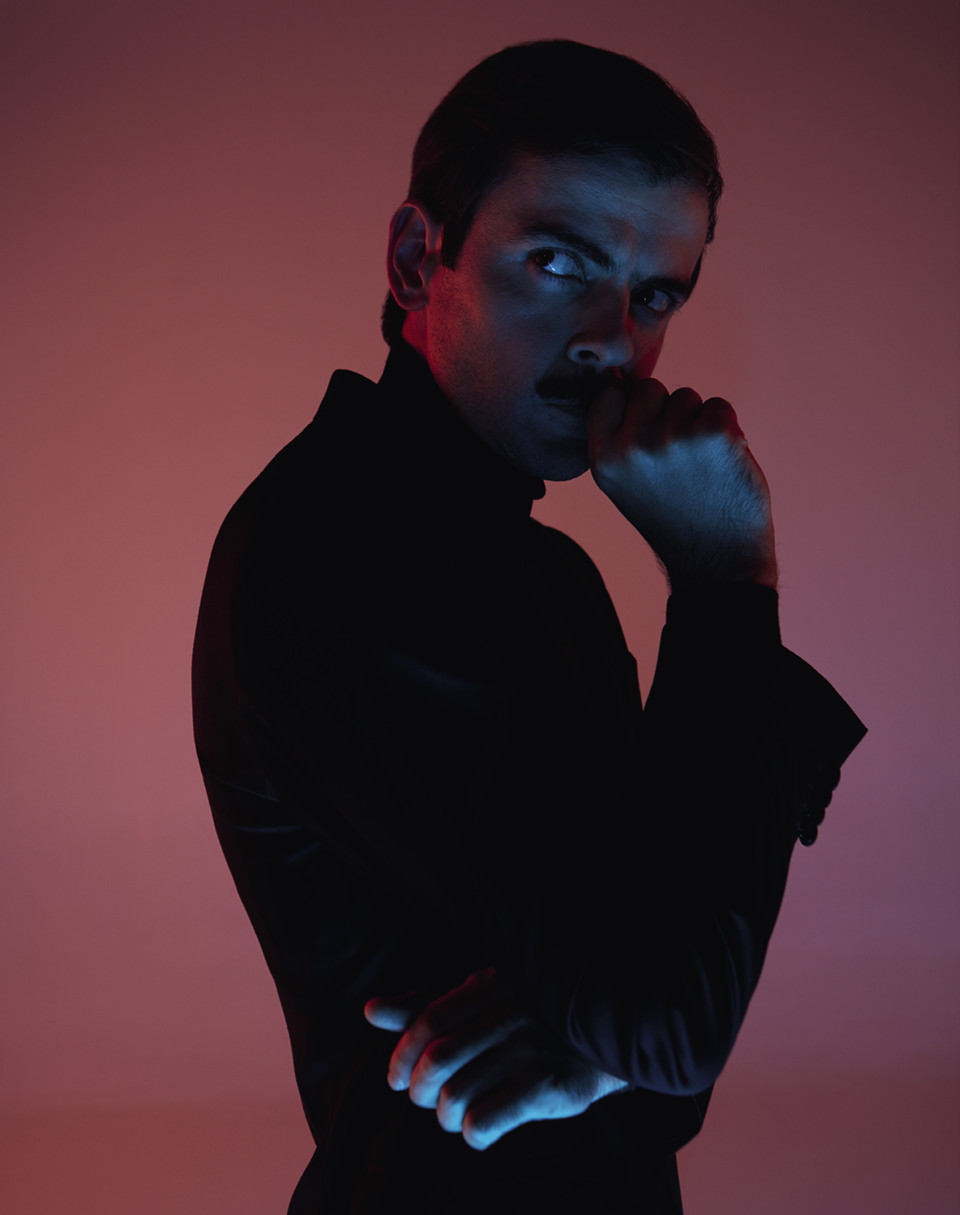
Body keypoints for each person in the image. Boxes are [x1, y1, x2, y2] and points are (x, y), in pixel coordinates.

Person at [191, 39, 866, 1214]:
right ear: (419, 259)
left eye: (656, 295)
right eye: (560, 263)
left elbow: (668, 1048)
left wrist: (606, 1048)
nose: (613, 338)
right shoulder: (345, 548)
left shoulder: (540, 573)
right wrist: (724, 578)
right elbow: (673, 1025)